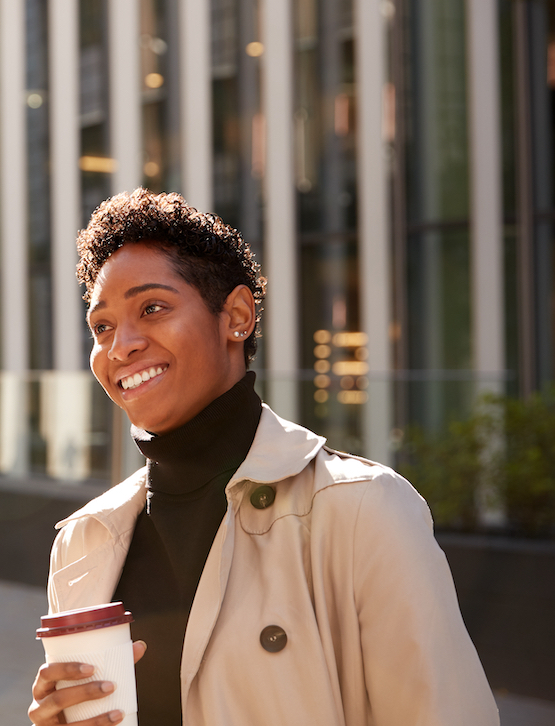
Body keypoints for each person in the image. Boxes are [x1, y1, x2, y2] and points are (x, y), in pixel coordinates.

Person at [28, 190, 497, 726]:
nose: (121, 346)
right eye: (102, 326)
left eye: (152, 308)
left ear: (237, 316)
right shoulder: (82, 540)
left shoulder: (361, 510)